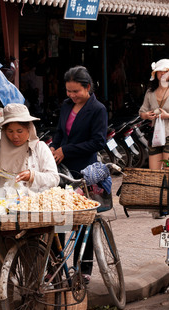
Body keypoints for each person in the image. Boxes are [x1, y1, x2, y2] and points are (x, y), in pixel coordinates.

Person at [0, 103, 59, 310]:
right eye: (10, 131)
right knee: (2, 264)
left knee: (33, 264)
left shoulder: (40, 148)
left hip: (34, 214)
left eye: (20, 131)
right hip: (5, 215)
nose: (15, 136)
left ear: (29, 129)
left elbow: (54, 178)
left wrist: (32, 176)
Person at [49, 66, 108, 284]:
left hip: (84, 172)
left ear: (88, 88)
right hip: (62, 171)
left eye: (76, 91)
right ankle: (55, 267)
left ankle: (83, 270)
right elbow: (60, 133)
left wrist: (66, 150)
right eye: (68, 91)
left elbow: (98, 142)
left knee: (84, 221)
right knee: (61, 220)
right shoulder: (66, 106)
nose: (72, 96)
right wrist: (54, 148)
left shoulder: (98, 109)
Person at [139, 58, 169, 170]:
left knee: (167, 170)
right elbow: (142, 112)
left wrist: (167, 116)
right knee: (154, 171)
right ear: (155, 73)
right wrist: (146, 115)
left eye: (166, 71)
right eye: (160, 71)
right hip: (155, 135)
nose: (163, 74)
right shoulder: (150, 92)